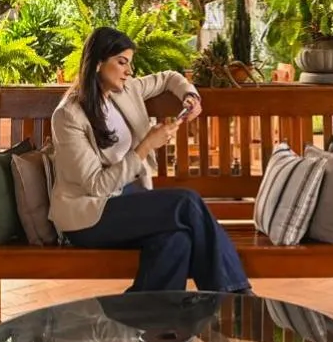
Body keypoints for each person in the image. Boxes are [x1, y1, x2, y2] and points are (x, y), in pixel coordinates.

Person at [49, 26, 251, 294]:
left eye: (129, 63)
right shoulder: (68, 116)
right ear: (98, 63)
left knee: (176, 240)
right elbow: (96, 186)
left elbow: (169, 78)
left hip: (128, 197)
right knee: (186, 202)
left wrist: (189, 95)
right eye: (121, 62)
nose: (129, 71)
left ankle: (148, 321)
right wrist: (146, 146)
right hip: (90, 215)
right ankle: (234, 298)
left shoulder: (125, 90)